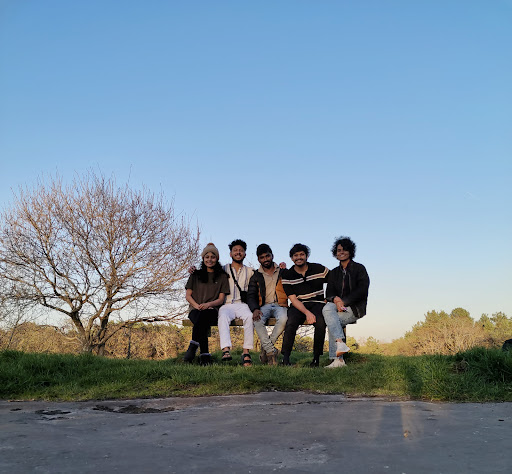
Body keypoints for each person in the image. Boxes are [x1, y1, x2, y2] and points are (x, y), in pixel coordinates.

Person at [322, 236, 370, 368]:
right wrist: (336, 300)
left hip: (354, 308)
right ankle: (340, 345)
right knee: (327, 309)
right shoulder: (334, 272)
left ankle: (337, 360)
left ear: (350, 251)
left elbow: (362, 290)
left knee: (332, 321)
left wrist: (343, 301)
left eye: (344, 250)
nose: (341, 252)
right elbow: (329, 293)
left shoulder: (359, 269)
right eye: (338, 250)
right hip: (336, 307)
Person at [280, 243, 329, 367]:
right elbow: (293, 299)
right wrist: (307, 313)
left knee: (320, 321)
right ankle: (285, 358)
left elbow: (334, 281)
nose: (299, 257)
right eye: (295, 255)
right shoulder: (287, 275)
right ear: (292, 258)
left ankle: (316, 359)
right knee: (291, 322)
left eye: (302, 254)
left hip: (318, 303)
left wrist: (330, 298)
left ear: (307, 256)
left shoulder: (319, 269)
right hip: (299, 304)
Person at [184, 243, 230, 365]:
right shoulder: (195, 274)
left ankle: (193, 346)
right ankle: (204, 356)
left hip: (212, 310)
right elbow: (188, 296)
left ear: (217, 259)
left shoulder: (222, 276)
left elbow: (220, 299)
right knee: (201, 320)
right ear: (203, 258)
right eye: (207, 257)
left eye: (213, 257)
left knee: (203, 317)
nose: (210, 260)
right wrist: (197, 306)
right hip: (195, 309)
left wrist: (208, 305)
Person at [247, 244, 288, 366]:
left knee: (284, 319)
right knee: (257, 320)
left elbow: (293, 280)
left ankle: (266, 349)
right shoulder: (256, 275)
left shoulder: (282, 271)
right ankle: (271, 351)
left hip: (280, 304)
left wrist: (285, 268)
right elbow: (251, 294)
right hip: (264, 306)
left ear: (272, 256)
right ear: (258, 259)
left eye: (267, 256)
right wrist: (255, 309)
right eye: (262, 257)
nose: (265, 259)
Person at [218, 239, 255, 367]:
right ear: (230, 253)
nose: (238, 252)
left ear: (245, 254)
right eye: (235, 250)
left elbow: (265, 272)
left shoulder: (250, 271)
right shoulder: (223, 269)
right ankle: (226, 349)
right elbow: (208, 270)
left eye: (241, 250)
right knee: (223, 316)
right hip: (226, 304)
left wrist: (280, 267)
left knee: (250, 316)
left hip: (242, 304)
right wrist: (193, 270)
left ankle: (246, 352)